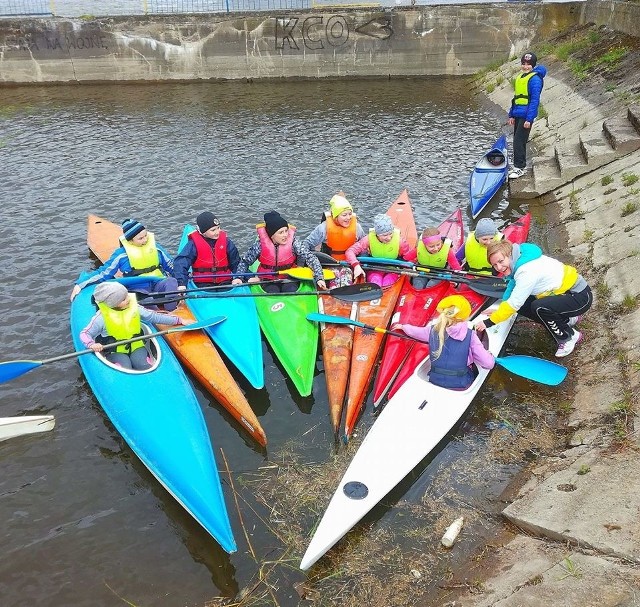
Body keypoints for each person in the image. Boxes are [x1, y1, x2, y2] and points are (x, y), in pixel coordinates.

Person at [474, 240, 592, 358]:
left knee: (538, 307)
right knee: (524, 304)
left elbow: (514, 303)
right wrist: (501, 309)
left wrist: (488, 323)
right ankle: (567, 320)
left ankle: (568, 336)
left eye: (501, 261)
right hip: (566, 294)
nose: (499, 267)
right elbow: (512, 286)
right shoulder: (519, 258)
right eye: (494, 265)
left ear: (509, 254)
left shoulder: (525, 271)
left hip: (579, 297)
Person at [70, 219, 179, 311]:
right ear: (130, 240)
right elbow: (104, 273)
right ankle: (158, 316)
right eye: (140, 238)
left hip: (157, 284)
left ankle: (173, 310)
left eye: (145, 236)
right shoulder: (121, 255)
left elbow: (171, 265)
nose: (145, 240)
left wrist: (183, 278)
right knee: (147, 299)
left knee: (171, 281)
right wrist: (81, 284)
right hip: (138, 289)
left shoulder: (156, 248)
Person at [79, 282, 190, 371]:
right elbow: (84, 334)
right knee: (125, 367)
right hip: (115, 351)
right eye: (123, 299)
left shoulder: (135, 307)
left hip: (137, 345)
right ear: (113, 303)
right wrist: (91, 344)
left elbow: (154, 317)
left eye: (127, 295)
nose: (128, 299)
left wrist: (179, 320)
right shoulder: (101, 318)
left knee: (143, 365)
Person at [395, 295, 495, 389]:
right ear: (465, 317)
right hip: (461, 384)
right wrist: (489, 355)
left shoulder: (432, 330)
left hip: (435, 380)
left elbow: (416, 332)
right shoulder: (471, 335)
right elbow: (488, 364)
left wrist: (404, 327)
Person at [232, 211, 327, 293]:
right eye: (281, 232)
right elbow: (245, 262)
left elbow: (311, 258)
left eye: (286, 231)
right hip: (267, 279)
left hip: (289, 276)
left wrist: (319, 278)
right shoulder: (260, 245)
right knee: (272, 291)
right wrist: (238, 277)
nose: (285, 235)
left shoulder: (294, 243)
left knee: (290, 290)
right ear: (272, 235)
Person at [304, 193, 367, 287]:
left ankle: (346, 290)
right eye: (344, 215)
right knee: (334, 279)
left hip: (349, 264)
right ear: (336, 216)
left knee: (346, 276)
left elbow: (363, 246)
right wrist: (310, 261)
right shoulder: (323, 228)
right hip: (329, 263)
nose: (348, 218)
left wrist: (360, 265)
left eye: (350, 214)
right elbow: (307, 244)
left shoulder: (357, 227)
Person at [173, 211, 241, 290]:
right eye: (213, 230)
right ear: (203, 232)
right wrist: (181, 284)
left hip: (225, 281)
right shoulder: (193, 245)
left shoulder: (227, 242)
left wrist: (239, 277)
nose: (217, 232)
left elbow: (236, 263)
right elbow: (180, 264)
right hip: (202, 284)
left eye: (218, 228)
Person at [345, 214, 414, 287]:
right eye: (385, 235)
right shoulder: (368, 239)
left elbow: (410, 258)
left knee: (387, 282)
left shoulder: (401, 242)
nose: (389, 238)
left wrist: (408, 267)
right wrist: (356, 266)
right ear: (377, 234)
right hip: (374, 268)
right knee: (376, 282)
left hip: (393, 269)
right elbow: (350, 251)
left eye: (390, 233)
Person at [508, 52, 547, 180]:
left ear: (533, 65)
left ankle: (520, 168)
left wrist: (529, 119)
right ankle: (518, 166)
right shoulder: (520, 77)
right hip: (518, 113)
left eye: (528, 65)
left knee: (519, 141)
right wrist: (511, 115)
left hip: (526, 116)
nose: (525, 67)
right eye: (523, 64)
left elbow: (535, 100)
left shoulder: (535, 79)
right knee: (517, 140)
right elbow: (516, 98)